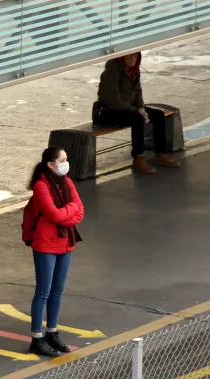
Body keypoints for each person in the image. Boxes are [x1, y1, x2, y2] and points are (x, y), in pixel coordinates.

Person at [27, 147, 85, 357]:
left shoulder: (67, 182)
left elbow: (80, 209)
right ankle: (36, 337)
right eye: (62, 160)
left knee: (57, 291)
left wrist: (66, 212)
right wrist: (69, 212)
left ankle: (52, 332)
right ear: (50, 165)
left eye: (66, 159)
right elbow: (55, 214)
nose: (65, 163)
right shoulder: (41, 186)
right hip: (46, 245)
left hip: (65, 242)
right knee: (43, 291)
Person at [94, 52, 180, 174]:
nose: (133, 58)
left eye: (135, 56)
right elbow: (113, 101)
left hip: (128, 108)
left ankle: (161, 154)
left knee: (158, 115)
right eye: (130, 55)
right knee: (137, 119)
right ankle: (138, 159)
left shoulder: (134, 70)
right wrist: (137, 110)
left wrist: (142, 108)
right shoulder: (111, 72)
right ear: (122, 56)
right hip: (108, 112)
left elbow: (138, 92)